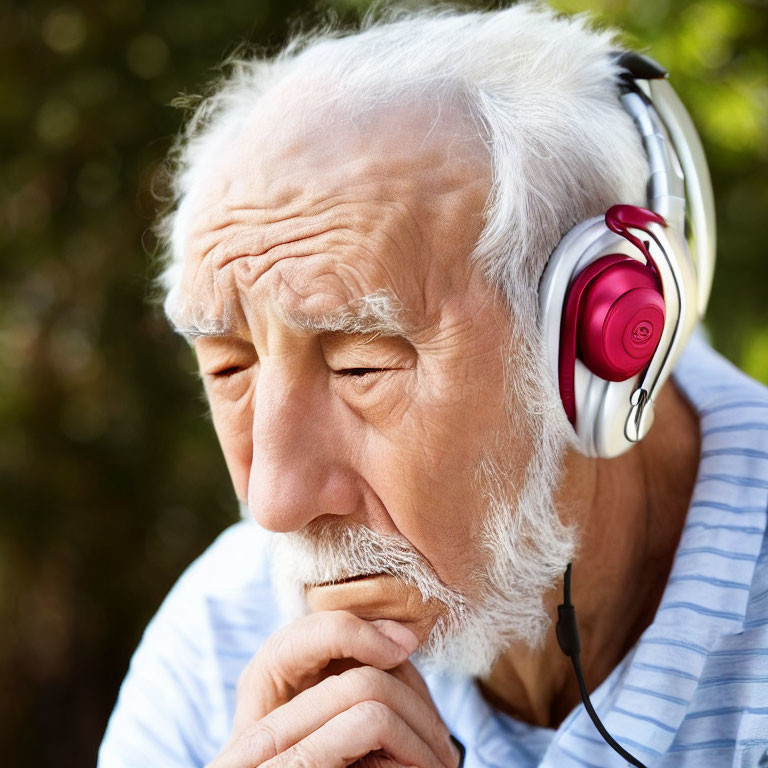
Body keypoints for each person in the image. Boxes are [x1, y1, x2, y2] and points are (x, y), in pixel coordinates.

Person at [98, 4, 768, 767]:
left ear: (597, 352)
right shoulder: (219, 640)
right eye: (230, 369)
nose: (275, 504)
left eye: (361, 368)